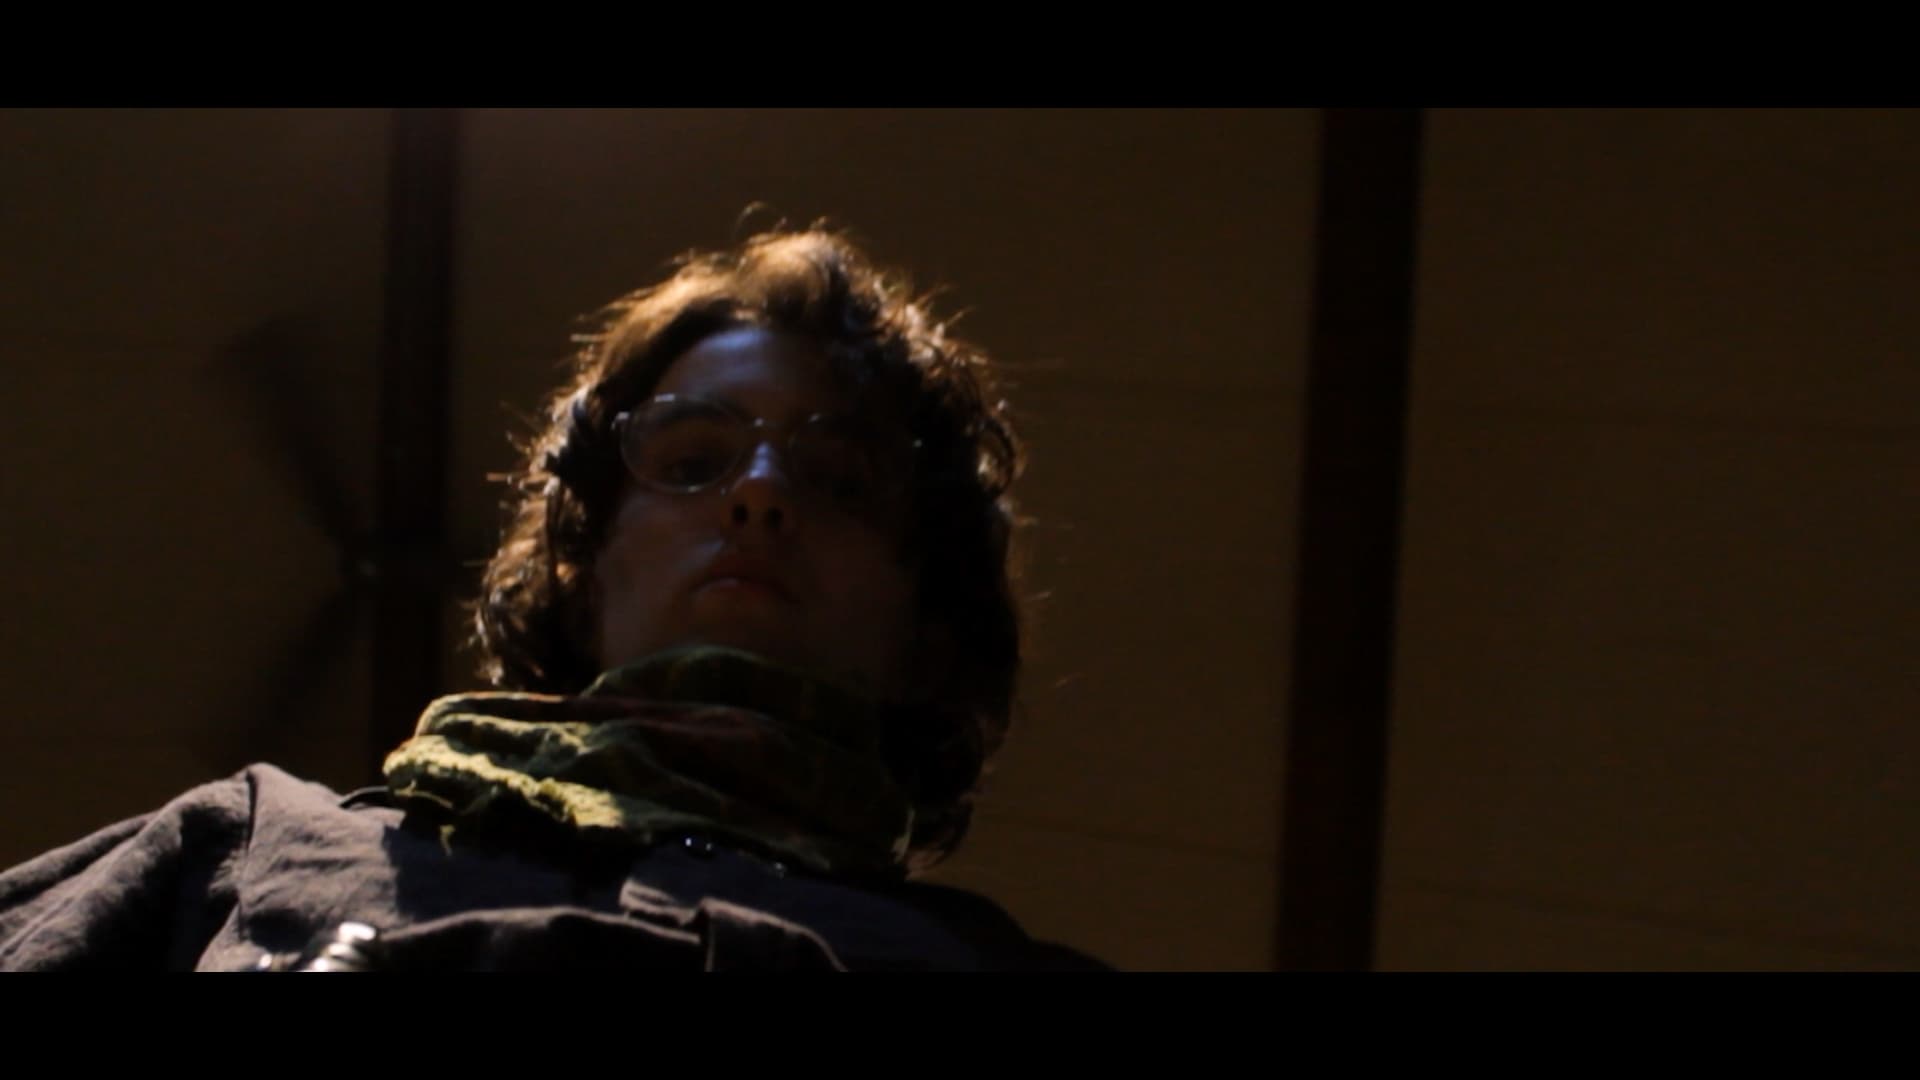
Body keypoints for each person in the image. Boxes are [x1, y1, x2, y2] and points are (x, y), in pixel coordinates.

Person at [0, 228, 1106, 971]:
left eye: (841, 482)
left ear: (928, 625)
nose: (761, 495)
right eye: (692, 461)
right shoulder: (244, 842)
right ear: (581, 572)